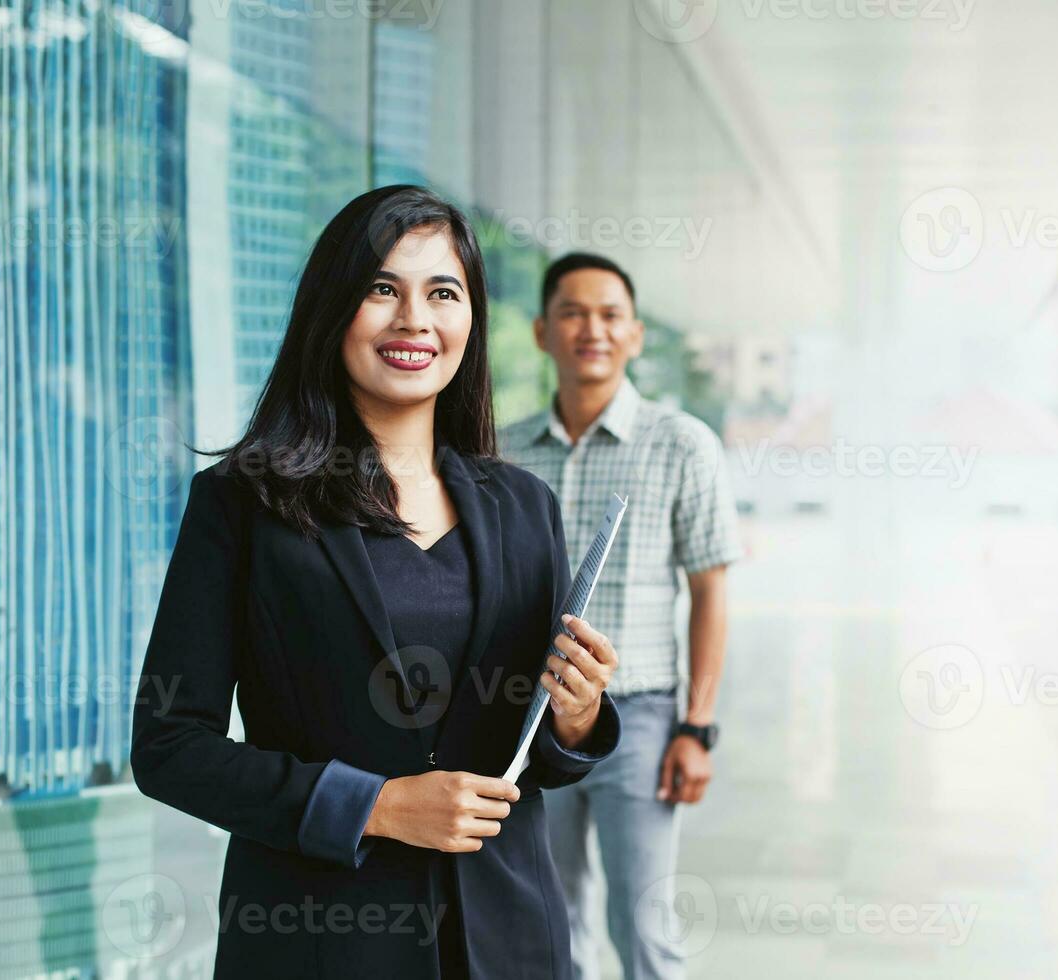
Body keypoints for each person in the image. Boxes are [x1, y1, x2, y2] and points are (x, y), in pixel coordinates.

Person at [130, 187, 622, 980]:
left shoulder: (525, 508)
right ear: (334, 307)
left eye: (443, 293)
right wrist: (378, 806)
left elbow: (537, 759)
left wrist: (576, 715)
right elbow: (169, 747)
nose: (414, 320)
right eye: (381, 288)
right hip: (321, 940)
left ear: (473, 319)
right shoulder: (243, 503)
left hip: (508, 936)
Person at [499, 253, 744, 980]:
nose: (592, 329)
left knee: (643, 925)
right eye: (573, 313)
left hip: (637, 714)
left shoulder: (682, 443)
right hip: (527, 716)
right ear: (544, 331)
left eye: (610, 315)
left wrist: (695, 727)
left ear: (635, 335)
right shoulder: (501, 450)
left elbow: (710, 591)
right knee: (552, 922)